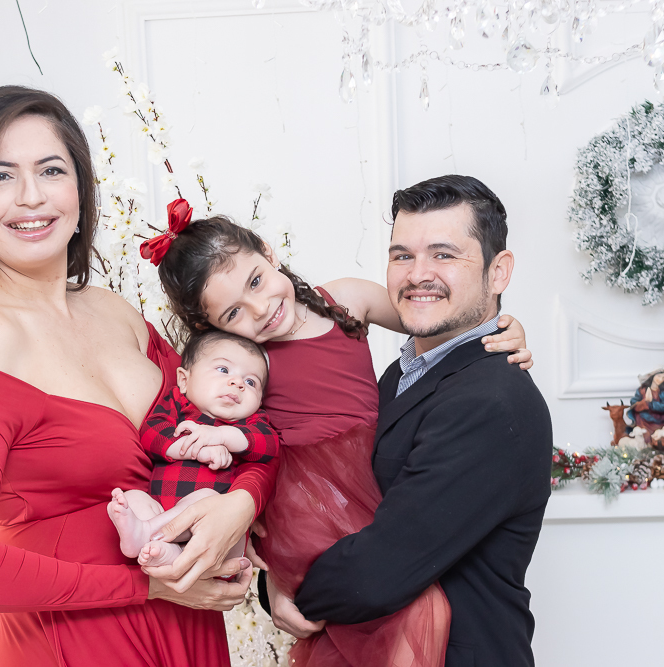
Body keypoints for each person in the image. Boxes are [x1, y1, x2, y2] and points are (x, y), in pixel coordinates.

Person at [0, 86, 276, 667]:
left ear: (80, 188)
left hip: (186, 629)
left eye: (51, 170)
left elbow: (234, 426)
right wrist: (144, 587)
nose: (31, 196)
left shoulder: (113, 311)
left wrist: (243, 504)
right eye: (1, 176)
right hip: (76, 645)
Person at [140, 183, 533, 665]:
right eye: (234, 312)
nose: (260, 309)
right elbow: (234, 439)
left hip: (369, 494)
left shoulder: (348, 303)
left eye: (257, 282)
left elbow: (429, 312)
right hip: (309, 497)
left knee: (399, 612)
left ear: (268, 252)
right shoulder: (249, 365)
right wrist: (273, 582)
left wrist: (501, 327)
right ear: (214, 327)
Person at [276, 176, 553, 667]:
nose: (418, 274)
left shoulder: (492, 400)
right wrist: (273, 584)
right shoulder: (401, 374)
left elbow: (379, 571)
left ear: (498, 272)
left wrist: (291, 587)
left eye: (444, 255)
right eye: (402, 255)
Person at [108, 328, 278, 569]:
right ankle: (165, 552)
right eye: (223, 370)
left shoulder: (249, 423)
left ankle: (149, 534)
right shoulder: (177, 404)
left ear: (259, 401)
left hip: (216, 534)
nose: (238, 383)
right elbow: (152, 433)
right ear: (184, 380)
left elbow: (269, 445)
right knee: (132, 498)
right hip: (162, 511)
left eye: (251, 382)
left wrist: (221, 436)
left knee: (207, 498)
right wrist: (198, 450)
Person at [627, 369, 664, 444]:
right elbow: (634, 402)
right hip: (643, 419)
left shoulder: (663, 393)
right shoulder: (642, 390)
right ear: (653, 376)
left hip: (659, 419)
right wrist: (644, 403)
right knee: (645, 437)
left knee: (659, 437)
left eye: (663, 378)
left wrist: (651, 404)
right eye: (659, 376)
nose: (660, 379)